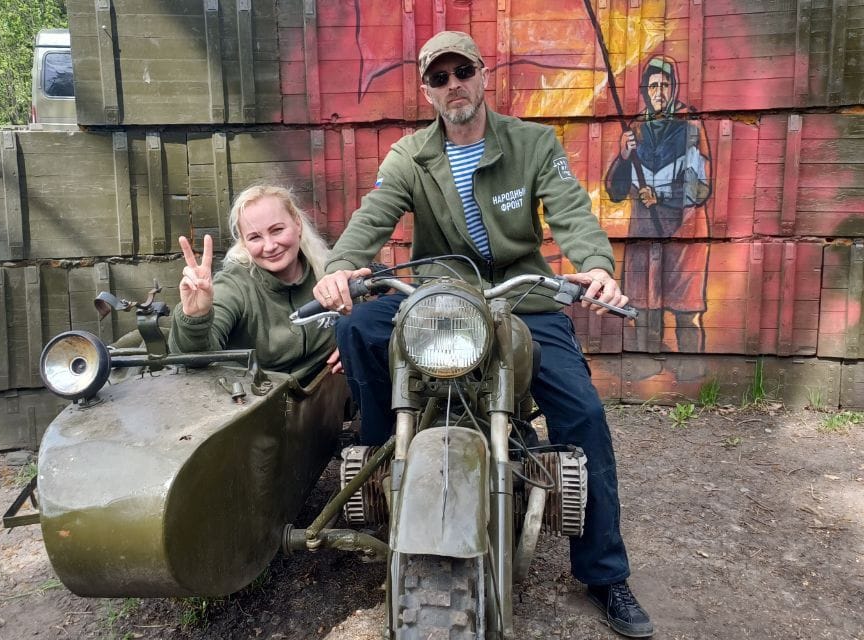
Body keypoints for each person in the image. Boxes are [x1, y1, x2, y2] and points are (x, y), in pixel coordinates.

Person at [312, 31, 654, 638]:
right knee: (360, 325)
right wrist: (340, 268)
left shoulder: (532, 144)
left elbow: (570, 209)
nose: (452, 86)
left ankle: (605, 574)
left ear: (482, 74)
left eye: (461, 71)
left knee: (582, 413)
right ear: (427, 90)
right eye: (438, 78)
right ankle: (382, 467)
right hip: (437, 296)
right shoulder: (409, 157)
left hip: (521, 298)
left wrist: (595, 265)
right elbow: (372, 216)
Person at [169, 185, 337, 382]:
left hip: (323, 398)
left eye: (277, 230)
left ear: (297, 224)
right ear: (244, 242)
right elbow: (194, 359)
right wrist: (195, 319)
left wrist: (352, 342)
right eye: (255, 237)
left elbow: (359, 313)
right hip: (255, 399)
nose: (270, 246)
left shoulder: (328, 271)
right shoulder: (235, 284)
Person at [605, 55, 711, 353]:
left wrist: (662, 197)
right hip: (643, 231)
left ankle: (690, 378)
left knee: (684, 312)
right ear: (645, 90)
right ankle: (642, 371)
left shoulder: (689, 128)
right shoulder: (636, 130)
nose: (659, 92)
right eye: (653, 86)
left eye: (665, 85)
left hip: (682, 233)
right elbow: (614, 191)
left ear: (674, 88)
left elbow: (700, 189)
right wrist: (623, 158)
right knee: (642, 309)